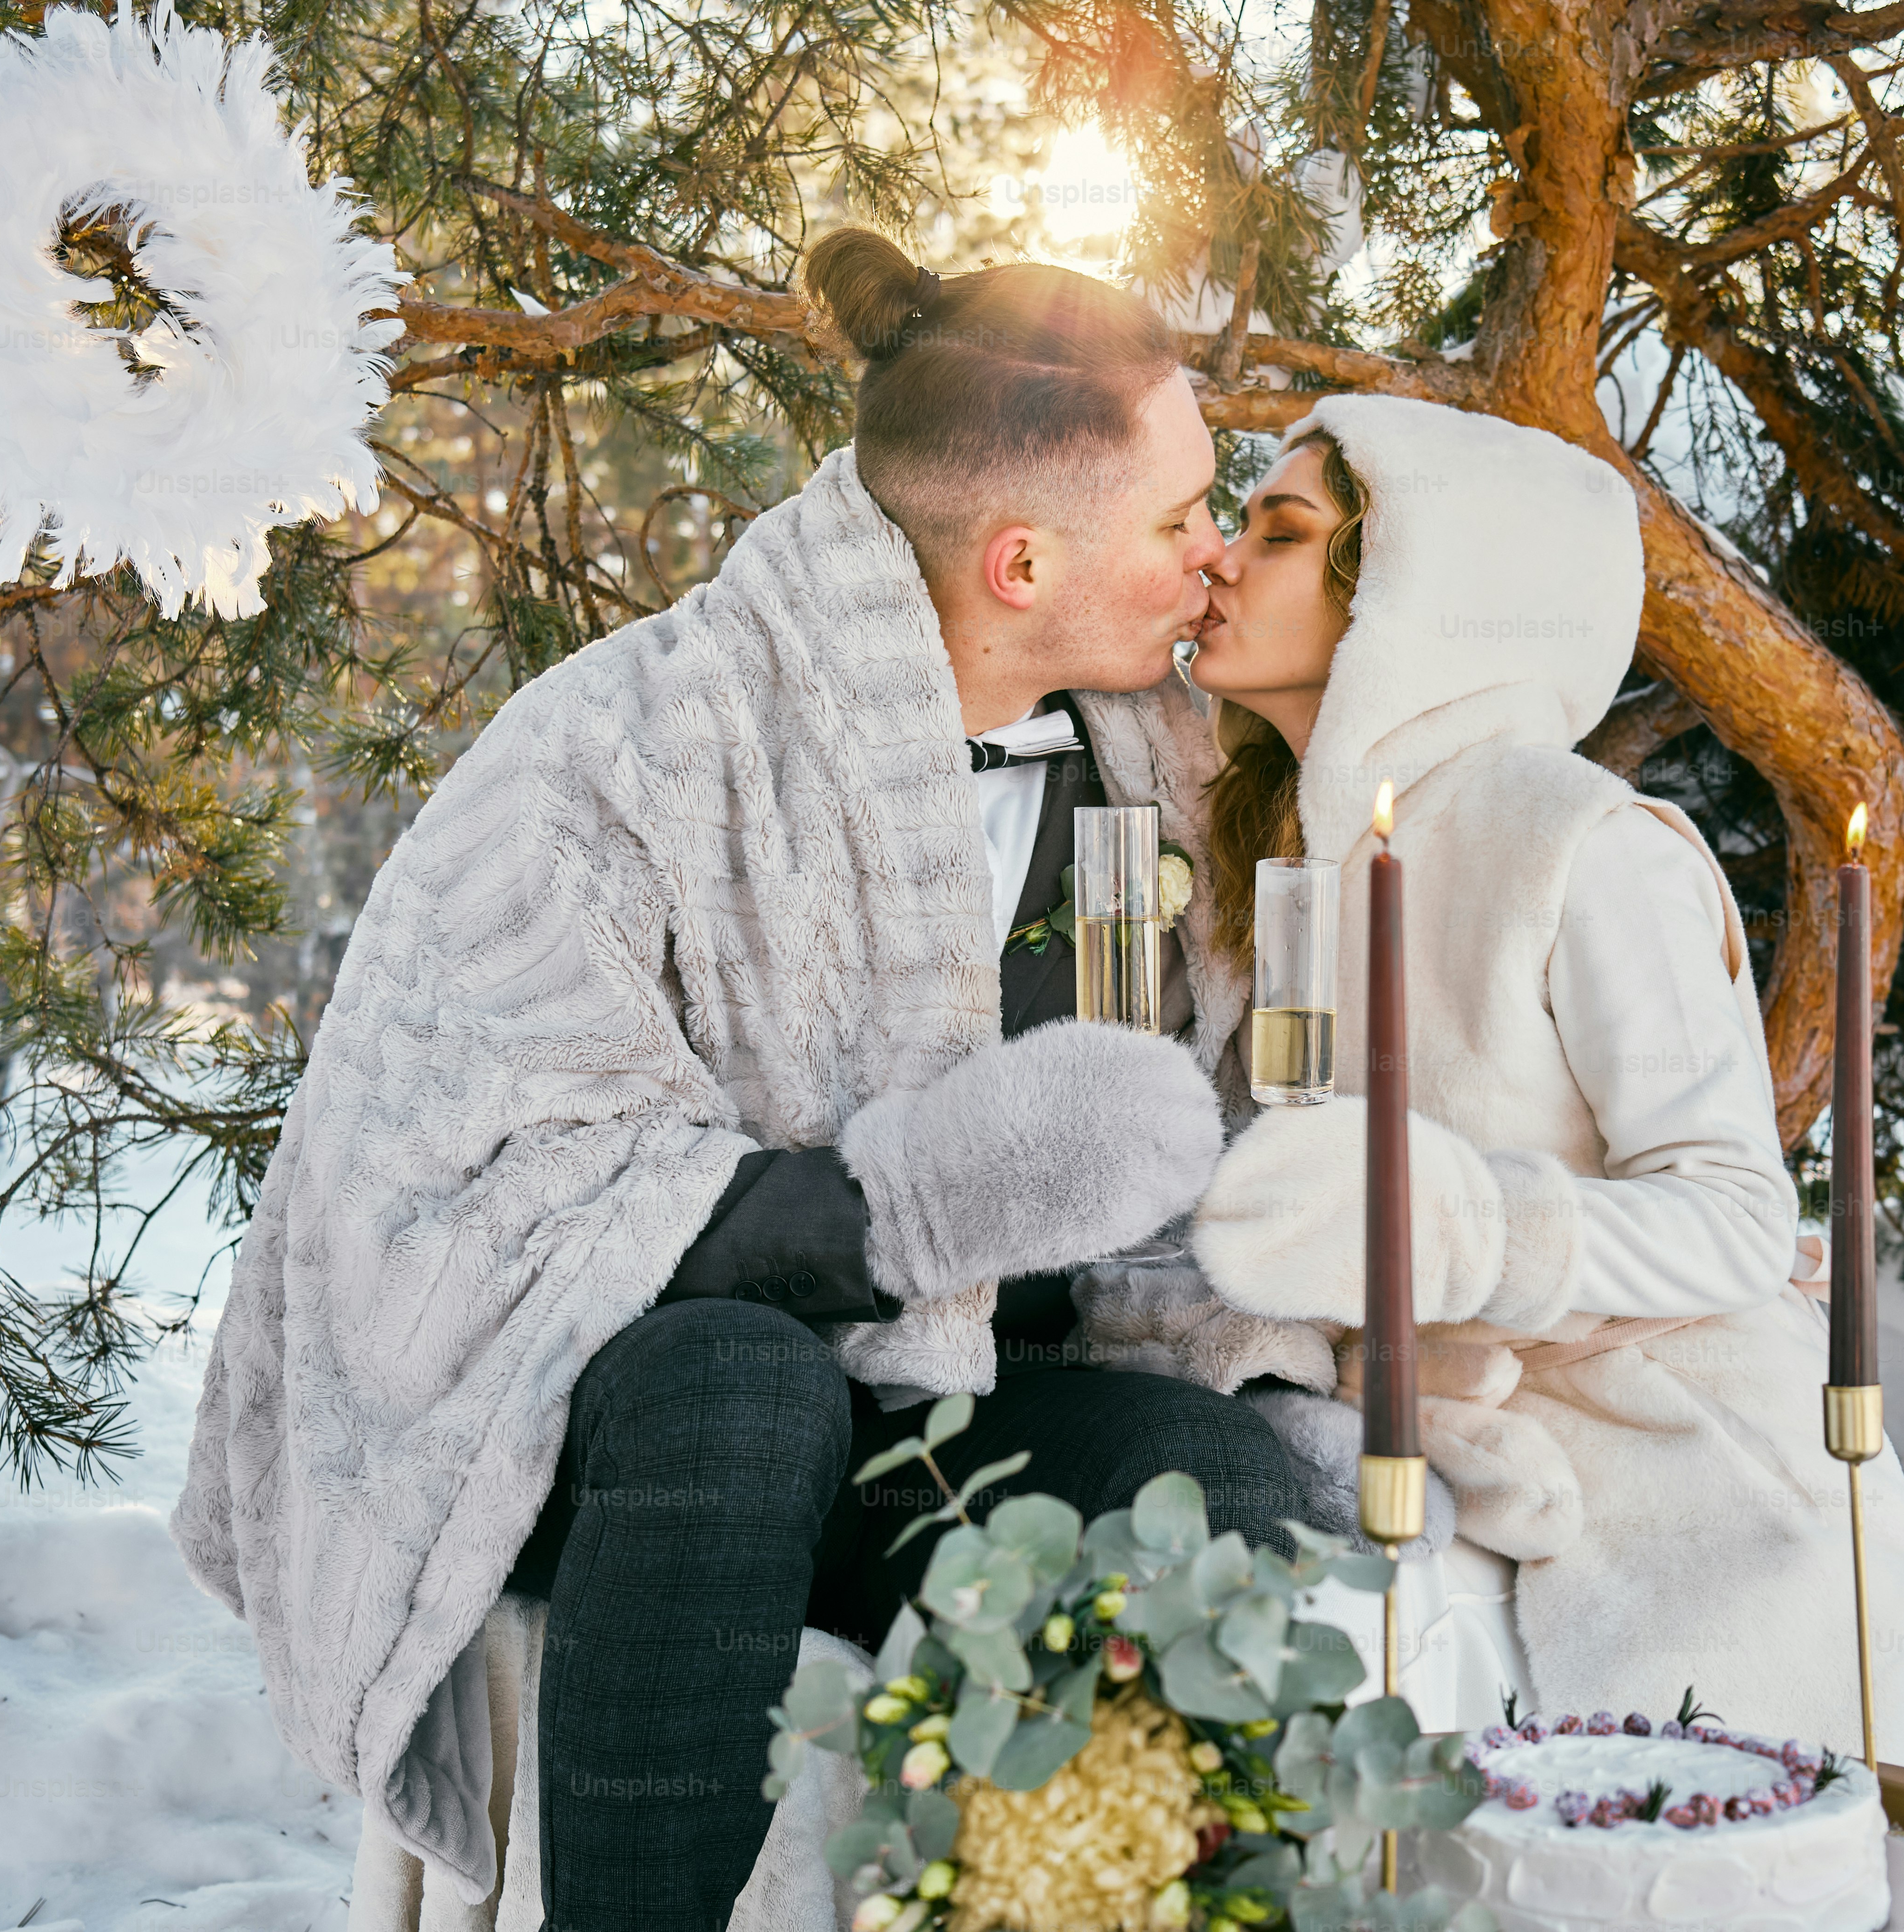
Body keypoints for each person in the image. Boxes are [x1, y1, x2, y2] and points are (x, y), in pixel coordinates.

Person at [170, 229, 1312, 1931]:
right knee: (744, 1387)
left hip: (941, 1424)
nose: (1211, 556)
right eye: (1179, 519)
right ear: (1018, 563)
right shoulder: (625, 745)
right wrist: (903, 1204)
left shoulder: (1155, 771)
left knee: (1209, 1483)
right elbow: (469, 1162)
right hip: (614, 1445)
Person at [1159, 392, 1904, 1805]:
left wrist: (1471, 1234)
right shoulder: (1272, 854)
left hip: (1689, 1468)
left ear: (1416, 592)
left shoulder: (1579, 842)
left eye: (1278, 532)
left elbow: (1730, 1219)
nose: (1216, 556)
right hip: (1431, 1443)